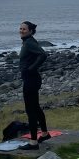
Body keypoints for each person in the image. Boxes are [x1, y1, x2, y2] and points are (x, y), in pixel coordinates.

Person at [18, 20, 49, 150]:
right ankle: (45, 134)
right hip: (31, 79)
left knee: (30, 110)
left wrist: (31, 68)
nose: (21, 30)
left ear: (30, 31)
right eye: (20, 28)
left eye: (24, 29)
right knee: (35, 107)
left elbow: (43, 54)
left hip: (31, 80)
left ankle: (33, 142)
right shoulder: (28, 41)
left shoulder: (29, 42)